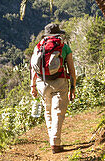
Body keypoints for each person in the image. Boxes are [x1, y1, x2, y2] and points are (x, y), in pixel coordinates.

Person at [30, 23, 76, 153]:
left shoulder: (39, 46)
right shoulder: (64, 47)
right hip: (60, 82)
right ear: (58, 34)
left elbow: (34, 69)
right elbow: (71, 70)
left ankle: (53, 140)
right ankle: (55, 143)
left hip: (42, 83)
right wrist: (72, 87)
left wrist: (33, 86)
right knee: (58, 112)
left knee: (48, 111)